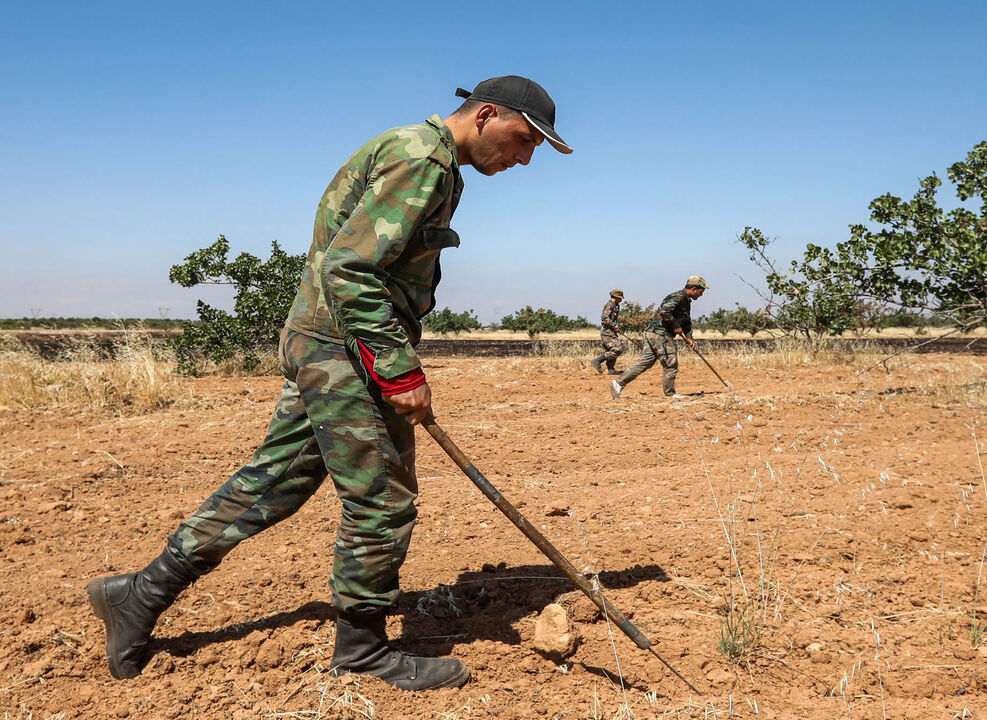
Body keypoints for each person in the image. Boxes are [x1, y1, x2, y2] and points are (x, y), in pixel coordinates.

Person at [85, 75, 572, 691]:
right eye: (523, 139)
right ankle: (363, 650)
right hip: (346, 350)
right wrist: (397, 368)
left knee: (275, 482)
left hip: (329, 341)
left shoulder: (430, 160)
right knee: (383, 500)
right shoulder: (420, 159)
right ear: (487, 114)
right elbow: (352, 268)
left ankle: (137, 594)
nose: (524, 157)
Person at [610, 276, 707, 399]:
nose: (701, 294)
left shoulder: (686, 301)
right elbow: (665, 312)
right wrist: (676, 325)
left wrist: (689, 337)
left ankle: (618, 384)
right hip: (660, 334)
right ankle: (670, 394)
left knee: (645, 363)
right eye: (701, 291)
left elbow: (687, 322)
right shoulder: (677, 297)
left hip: (653, 333)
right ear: (694, 289)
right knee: (670, 363)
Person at [590, 289, 625, 374]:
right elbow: (604, 317)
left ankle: (611, 370)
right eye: (620, 298)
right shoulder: (610, 305)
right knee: (618, 349)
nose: (621, 300)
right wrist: (614, 326)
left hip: (610, 331)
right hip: (607, 332)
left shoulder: (615, 305)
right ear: (616, 297)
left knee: (612, 349)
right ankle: (597, 361)